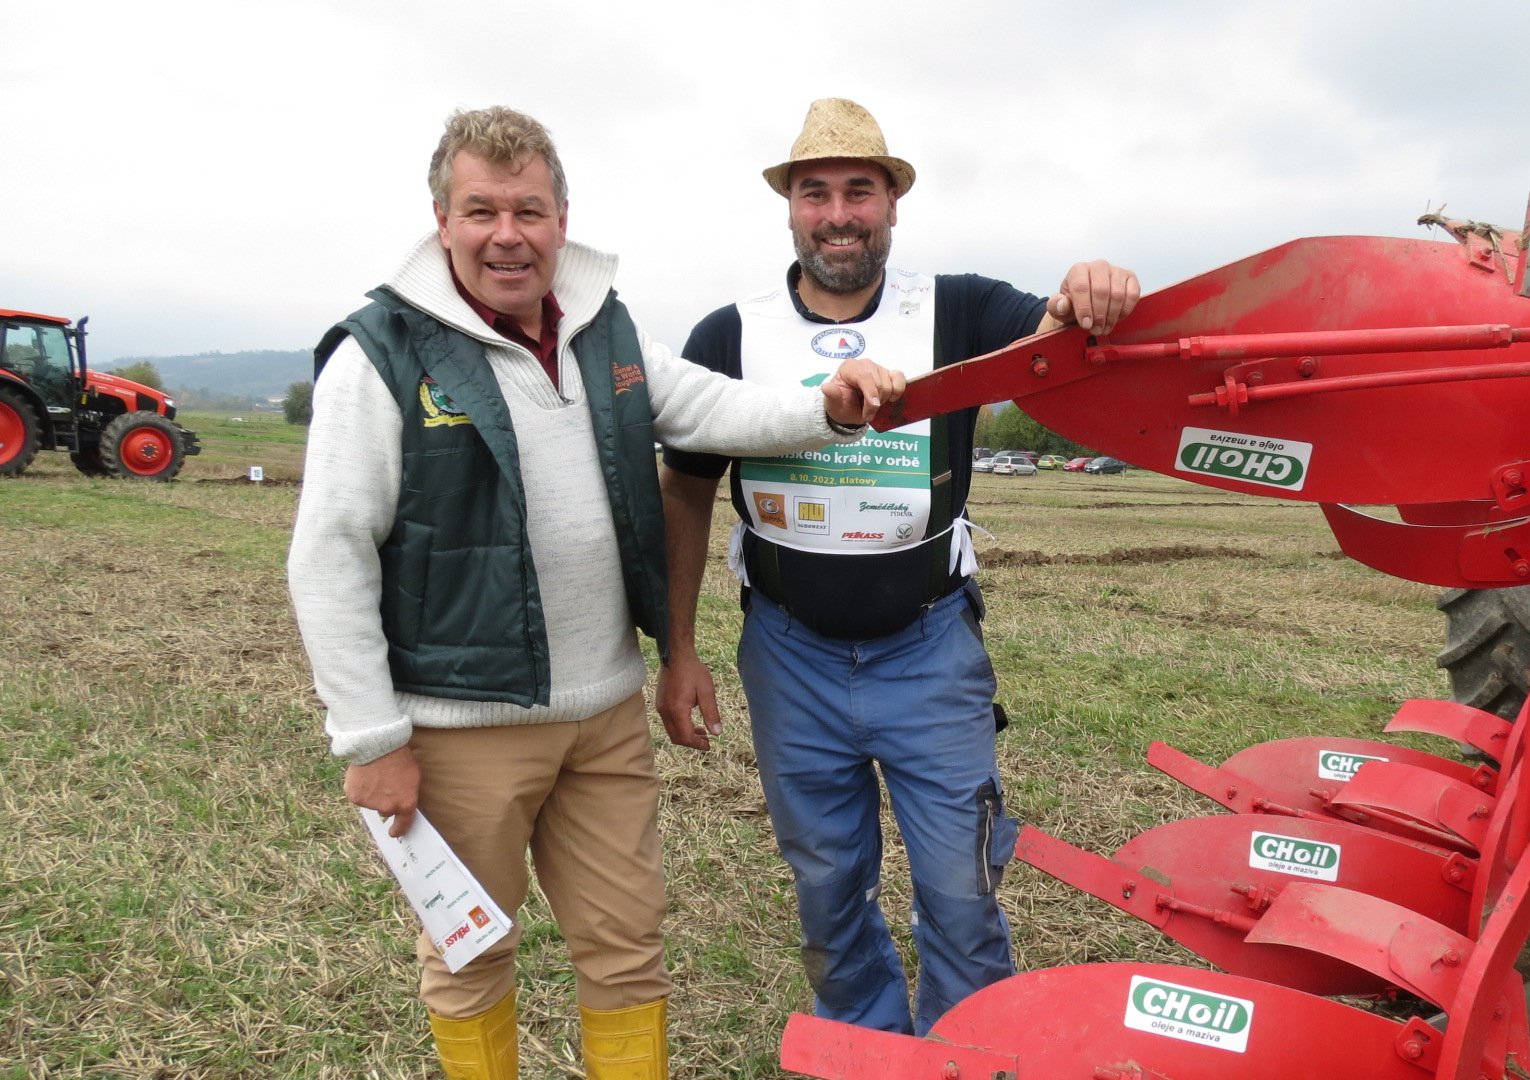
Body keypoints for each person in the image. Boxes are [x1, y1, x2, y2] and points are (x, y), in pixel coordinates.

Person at [285, 105, 905, 1080]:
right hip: (459, 729)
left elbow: (705, 403)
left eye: (527, 210)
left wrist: (823, 410)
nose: (506, 235)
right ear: (441, 220)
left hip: (603, 716)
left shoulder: (601, 330)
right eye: (481, 210)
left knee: (627, 951)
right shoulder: (382, 356)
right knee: (471, 953)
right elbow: (329, 556)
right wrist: (372, 742)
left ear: (561, 217)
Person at [658, 98, 1139, 1035]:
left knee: (961, 887)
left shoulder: (956, 308)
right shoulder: (730, 334)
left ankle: (964, 1050)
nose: (838, 213)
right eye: (816, 192)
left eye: (860, 191)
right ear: (790, 208)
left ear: (892, 205)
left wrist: (1088, 292)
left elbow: (1058, 339)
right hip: (787, 653)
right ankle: (870, 1046)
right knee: (829, 887)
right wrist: (679, 646)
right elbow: (683, 491)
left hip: (928, 650)